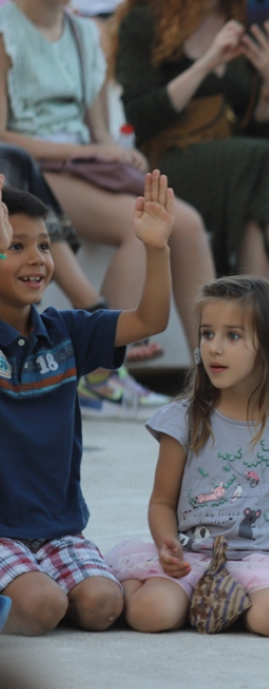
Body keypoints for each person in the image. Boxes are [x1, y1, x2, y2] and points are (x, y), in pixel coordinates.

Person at [113, 0, 269, 375]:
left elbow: (263, 130)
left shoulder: (244, 19)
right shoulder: (145, 22)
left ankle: (249, 341)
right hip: (169, 159)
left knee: (258, 212)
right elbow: (142, 116)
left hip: (236, 164)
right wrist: (208, 63)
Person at [105, 276, 269, 636]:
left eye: (233, 336)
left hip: (265, 561)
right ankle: (160, 590)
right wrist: (167, 544)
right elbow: (162, 501)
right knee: (151, 614)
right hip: (194, 557)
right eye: (207, 334)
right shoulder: (182, 421)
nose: (214, 348)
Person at [0, 0, 216, 413]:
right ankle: (102, 373)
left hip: (82, 163)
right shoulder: (6, 31)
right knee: (140, 230)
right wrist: (93, 153)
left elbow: (97, 126)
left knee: (185, 223)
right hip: (34, 166)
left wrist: (111, 151)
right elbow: (3, 136)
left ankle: (208, 376)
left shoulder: (88, 34)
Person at [0, 172, 174, 636]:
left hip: (57, 529)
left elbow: (150, 319)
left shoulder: (65, 331)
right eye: (15, 246)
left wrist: (156, 248)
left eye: (43, 246)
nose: (36, 259)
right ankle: (33, 592)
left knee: (102, 604)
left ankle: (37, 588)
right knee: (40, 608)